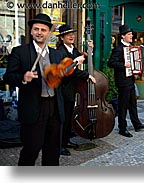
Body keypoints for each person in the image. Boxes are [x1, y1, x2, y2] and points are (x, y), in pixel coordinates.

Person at [3, 13, 84, 166]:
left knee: (53, 152)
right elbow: (8, 77)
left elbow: (62, 79)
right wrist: (22, 77)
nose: (39, 32)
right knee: (31, 150)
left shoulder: (57, 54)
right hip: (34, 107)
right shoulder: (20, 52)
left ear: (49, 33)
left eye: (43, 29)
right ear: (31, 31)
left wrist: (72, 67)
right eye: (36, 29)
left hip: (54, 107)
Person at [56, 25, 96, 156]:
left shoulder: (73, 49)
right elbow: (67, 71)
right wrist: (87, 75)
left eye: (72, 33)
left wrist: (90, 49)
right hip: (63, 89)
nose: (71, 36)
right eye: (68, 34)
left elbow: (83, 58)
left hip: (73, 89)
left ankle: (66, 141)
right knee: (63, 118)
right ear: (62, 38)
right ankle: (60, 145)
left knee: (69, 117)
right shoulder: (60, 51)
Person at [107, 24, 144, 138]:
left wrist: (142, 60)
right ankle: (122, 128)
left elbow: (136, 61)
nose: (131, 36)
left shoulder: (133, 47)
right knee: (123, 105)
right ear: (123, 36)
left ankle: (137, 124)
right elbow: (110, 63)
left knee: (133, 103)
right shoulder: (118, 48)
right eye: (129, 34)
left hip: (130, 79)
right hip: (122, 81)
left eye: (131, 34)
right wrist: (124, 65)